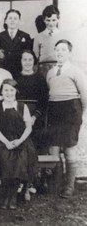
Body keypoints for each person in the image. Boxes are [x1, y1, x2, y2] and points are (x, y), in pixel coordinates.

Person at [46, 39, 87, 198]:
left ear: (69, 52)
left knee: (69, 148)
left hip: (71, 110)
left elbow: (85, 96)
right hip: (55, 110)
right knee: (54, 148)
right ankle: (56, 185)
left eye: (63, 50)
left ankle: (69, 186)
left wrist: (80, 115)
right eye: (57, 50)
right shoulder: (50, 72)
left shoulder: (76, 71)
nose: (60, 52)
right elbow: (51, 92)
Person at [0, 79, 36, 210]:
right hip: (4, 140)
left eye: (11, 90)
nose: (9, 93)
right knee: (5, 158)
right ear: (1, 92)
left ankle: (13, 196)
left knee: (20, 159)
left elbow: (28, 127)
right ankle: (6, 195)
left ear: (16, 92)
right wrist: (6, 142)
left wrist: (19, 141)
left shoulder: (22, 106)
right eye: (5, 90)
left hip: (21, 140)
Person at [17, 50, 49, 149]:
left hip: (35, 116)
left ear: (34, 61)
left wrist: (34, 117)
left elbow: (44, 101)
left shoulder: (40, 79)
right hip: (19, 115)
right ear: (21, 61)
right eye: (25, 59)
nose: (27, 62)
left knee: (35, 144)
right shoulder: (15, 77)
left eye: (30, 60)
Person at [0, 9, 32, 79]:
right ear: (5, 21)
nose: (12, 20)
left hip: (20, 71)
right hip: (4, 70)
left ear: (19, 21)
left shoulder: (25, 36)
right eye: (10, 18)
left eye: (15, 18)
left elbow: (28, 56)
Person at [33, 5, 62, 78]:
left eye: (54, 20)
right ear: (44, 20)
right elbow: (36, 54)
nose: (51, 23)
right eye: (48, 20)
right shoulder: (38, 37)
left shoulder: (63, 35)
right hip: (43, 69)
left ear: (58, 19)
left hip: (59, 67)